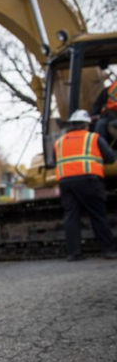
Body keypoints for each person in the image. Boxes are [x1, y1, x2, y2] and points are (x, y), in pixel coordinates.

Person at [54, 110, 117, 261]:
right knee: (97, 214)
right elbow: (110, 158)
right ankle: (109, 250)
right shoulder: (93, 138)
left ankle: (73, 253)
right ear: (86, 125)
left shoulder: (59, 142)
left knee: (71, 216)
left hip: (66, 182)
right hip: (88, 180)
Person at [89, 78, 117, 142]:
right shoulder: (110, 90)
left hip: (110, 117)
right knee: (99, 126)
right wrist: (92, 116)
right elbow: (98, 105)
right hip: (110, 116)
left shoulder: (111, 89)